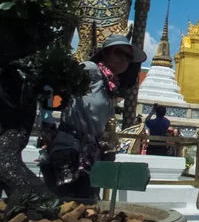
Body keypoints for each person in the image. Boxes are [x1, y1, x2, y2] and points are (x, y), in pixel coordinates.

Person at [41, 34, 146, 199]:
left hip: (90, 153)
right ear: (105, 53)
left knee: (86, 204)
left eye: (128, 56)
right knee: (67, 202)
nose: (124, 59)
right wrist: (46, 120)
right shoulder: (90, 69)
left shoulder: (110, 85)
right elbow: (51, 83)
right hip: (69, 147)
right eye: (119, 52)